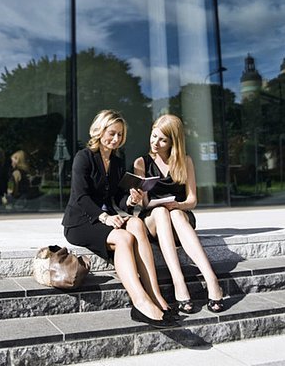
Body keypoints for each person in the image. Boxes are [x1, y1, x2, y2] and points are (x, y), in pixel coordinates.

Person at [62, 109, 178, 329]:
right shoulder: (83, 157)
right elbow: (81, 196)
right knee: (124, 238)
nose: (116, 139)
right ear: (100, 130)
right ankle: (140, 302)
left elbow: (118, 198)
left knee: (136, 223)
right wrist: (104, 217)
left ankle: (155, 294)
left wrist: (131, 200)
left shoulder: (116, 163)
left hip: (104, 218)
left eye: (120, 135)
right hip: (80, 222)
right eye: (112, 133)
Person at [128, 114, 225, 314]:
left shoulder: (185, 161)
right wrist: (140, 196)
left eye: (162, 139)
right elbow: (145, 204)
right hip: (153, 220)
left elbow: (192, 201)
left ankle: (211, 279)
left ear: (173, 141)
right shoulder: (141, 163)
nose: (155, 142)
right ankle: (178, 281)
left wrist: (178, 205)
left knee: (175, 214)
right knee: (162, 211)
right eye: (154, 136)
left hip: (179, 217)